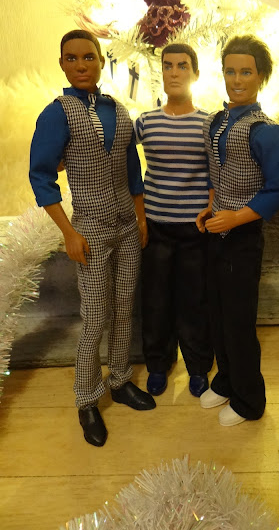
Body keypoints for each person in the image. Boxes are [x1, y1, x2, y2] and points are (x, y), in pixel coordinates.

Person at [29, 29, 155, 448]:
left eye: (89, 57)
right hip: (90, 228)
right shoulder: (57, 113)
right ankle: (86, 398)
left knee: (124, 307)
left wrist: (140, 217)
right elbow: (41, 176)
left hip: (126, 224)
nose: (81, 65)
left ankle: (119, 379)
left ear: (102, 61)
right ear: (62, 63)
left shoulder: (116, 108)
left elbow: (132, 167)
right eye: (72, 58)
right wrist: (68, 232)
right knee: (96, 316)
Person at [196, 35, 279, 427]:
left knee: (238, 321)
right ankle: (226, 379)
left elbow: (277, 190)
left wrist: (235, 218)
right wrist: (212, 206)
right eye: (231, 71)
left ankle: (250, 399)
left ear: (261, 77)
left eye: (246, 72)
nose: (237, 80)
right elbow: (216, 173)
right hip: (214, 231)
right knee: (216, 314)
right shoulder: (215, 122)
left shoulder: (265, 131)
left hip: (242, 237)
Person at [135, 43, 213, 398]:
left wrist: (211, 205)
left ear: (195, 73)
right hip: (156, 226)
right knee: (155, 300)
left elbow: (217, 172)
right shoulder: (146, 122)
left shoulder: (208, 123)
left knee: (194, 300)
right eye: (168, 65)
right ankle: (157, 363)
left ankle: (197, 365)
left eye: (183, 65)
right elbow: (119, 157)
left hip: (195, 228)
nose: (175, 72)